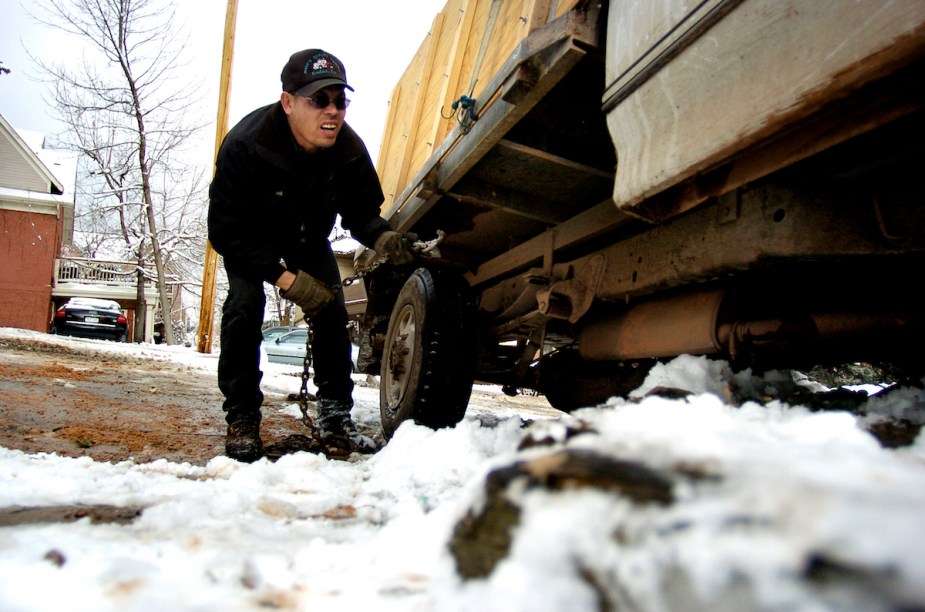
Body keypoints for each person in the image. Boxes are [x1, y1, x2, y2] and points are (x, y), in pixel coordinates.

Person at [208, 49, 416, 462]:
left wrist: (385, 238)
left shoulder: (348, 150)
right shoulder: (246, 146)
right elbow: (225, 231)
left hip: (306, 240)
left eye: (340, 101)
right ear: (288, 102)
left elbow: (361, 214)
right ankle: (243, 417)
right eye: (318, 100)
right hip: (250, 239)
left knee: (332, 311)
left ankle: (336, 416)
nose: (333, 111)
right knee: (245, 306)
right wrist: (288, 280)